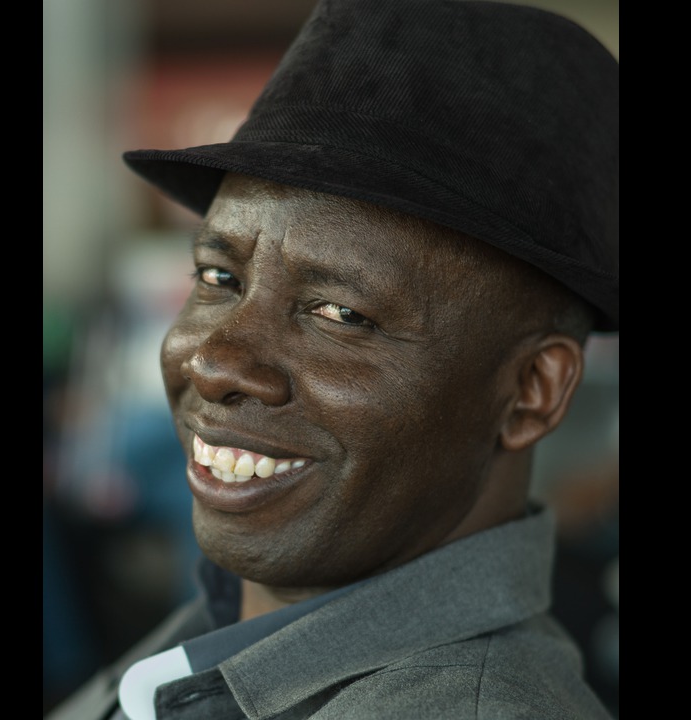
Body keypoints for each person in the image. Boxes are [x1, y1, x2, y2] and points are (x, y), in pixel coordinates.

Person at [46, 0, 618, 718]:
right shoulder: (228, 631)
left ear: (531, 390)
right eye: (219, 278)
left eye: (341, 315)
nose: (217, 363)